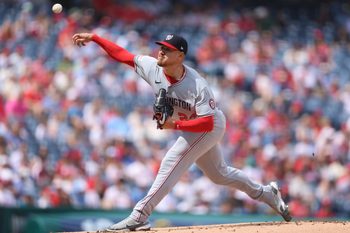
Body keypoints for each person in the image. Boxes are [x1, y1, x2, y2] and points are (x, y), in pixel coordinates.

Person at [72, 32, 292, 231]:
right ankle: (266, 193)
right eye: (161, 47)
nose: (161, 51)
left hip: (210, 125)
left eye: (168, 49)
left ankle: (140, 215)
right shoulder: (153, 67)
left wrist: (174, 125)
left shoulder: (197, 85)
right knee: (219, 175)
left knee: (173, 158)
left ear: (180, 56)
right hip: (192, 125)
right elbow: (123, 55)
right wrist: (95, 38)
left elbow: (206, 123)